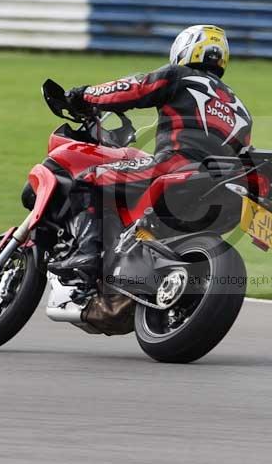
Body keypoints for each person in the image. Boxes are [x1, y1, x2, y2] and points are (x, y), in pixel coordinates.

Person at [49, 25, 253, 279]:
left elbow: (132, 88)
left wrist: (84, 95)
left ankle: (87, 254)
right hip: (220, 185)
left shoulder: (180, 76)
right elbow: (245, 151)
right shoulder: (239, 108)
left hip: (176, 165)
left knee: (88, 179)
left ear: (185, 49)